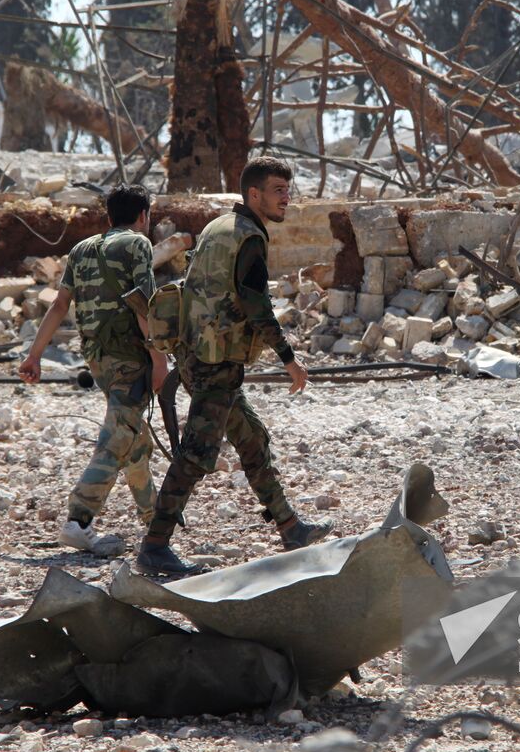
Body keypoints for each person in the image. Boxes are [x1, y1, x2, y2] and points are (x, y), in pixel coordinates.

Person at [135, 156, 331, 577]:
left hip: (196, 354)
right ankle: (154, 544)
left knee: (252, 440)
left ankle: (290, 527)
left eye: (287, 189)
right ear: (254, 194)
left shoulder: (218, 226)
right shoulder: (250, 238)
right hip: (216, 363)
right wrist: (288, 359)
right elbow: (255, 303)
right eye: (278, 190)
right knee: (197, 453)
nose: (286, 198)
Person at [19, 184, 165, 553]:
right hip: (130, 357)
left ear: (109, 215)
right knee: (118, 436)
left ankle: (156, 518)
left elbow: (59, 305)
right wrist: (160, 359)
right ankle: (79, 519)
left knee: (134, 437)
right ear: (144, 216)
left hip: (98, 358)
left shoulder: (81, 249)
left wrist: (34, 354)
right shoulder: (138, 244)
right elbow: (144, 304)